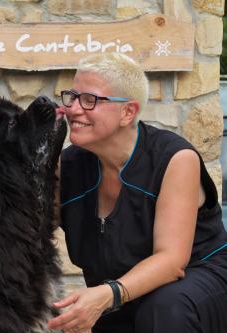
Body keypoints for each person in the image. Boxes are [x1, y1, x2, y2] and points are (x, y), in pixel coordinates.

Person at [47, 52, 227, 333]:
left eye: (90, 99)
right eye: (72, 95)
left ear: (127, 112)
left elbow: (171, 261)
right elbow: (30, 229)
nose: (73, 109)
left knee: (165, 307)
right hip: (124, 295)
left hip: (195, 286)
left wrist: (107, 295)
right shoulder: (67, 167)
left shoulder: (174, 158)